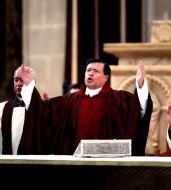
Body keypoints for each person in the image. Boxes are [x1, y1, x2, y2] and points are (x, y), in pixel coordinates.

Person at [19, 58, 153, 156]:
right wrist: (30, 85)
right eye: (88, 70)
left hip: (108, 168)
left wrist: (140, 86)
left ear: (106, 77)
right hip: (75, 165)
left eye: (95, 71)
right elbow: (44, 113)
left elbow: (137, 111)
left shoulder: (119, 99)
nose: (90, 73)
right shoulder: (70, 100)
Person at [0, 66, 46, 154]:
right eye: (16, 80)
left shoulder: (40, 109)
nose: (18, 83)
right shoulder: (0, 109)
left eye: (22, 80)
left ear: (32, 83)